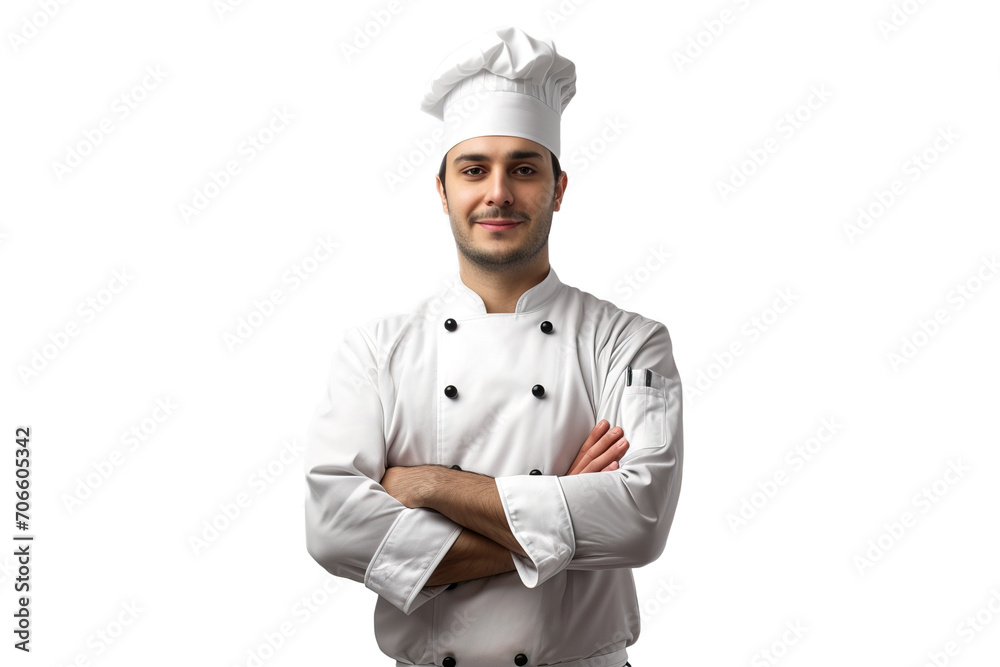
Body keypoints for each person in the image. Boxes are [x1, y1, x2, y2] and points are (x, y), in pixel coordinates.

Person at [304, 26, 683, 667]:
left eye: (525, 169)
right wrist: (563, 502)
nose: (499, 193)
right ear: (443, 189)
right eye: (474, 169)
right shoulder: (377, 350)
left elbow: (638, 522)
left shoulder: (629, 341)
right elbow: (334, 531)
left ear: (558, 190)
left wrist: (431, 485)